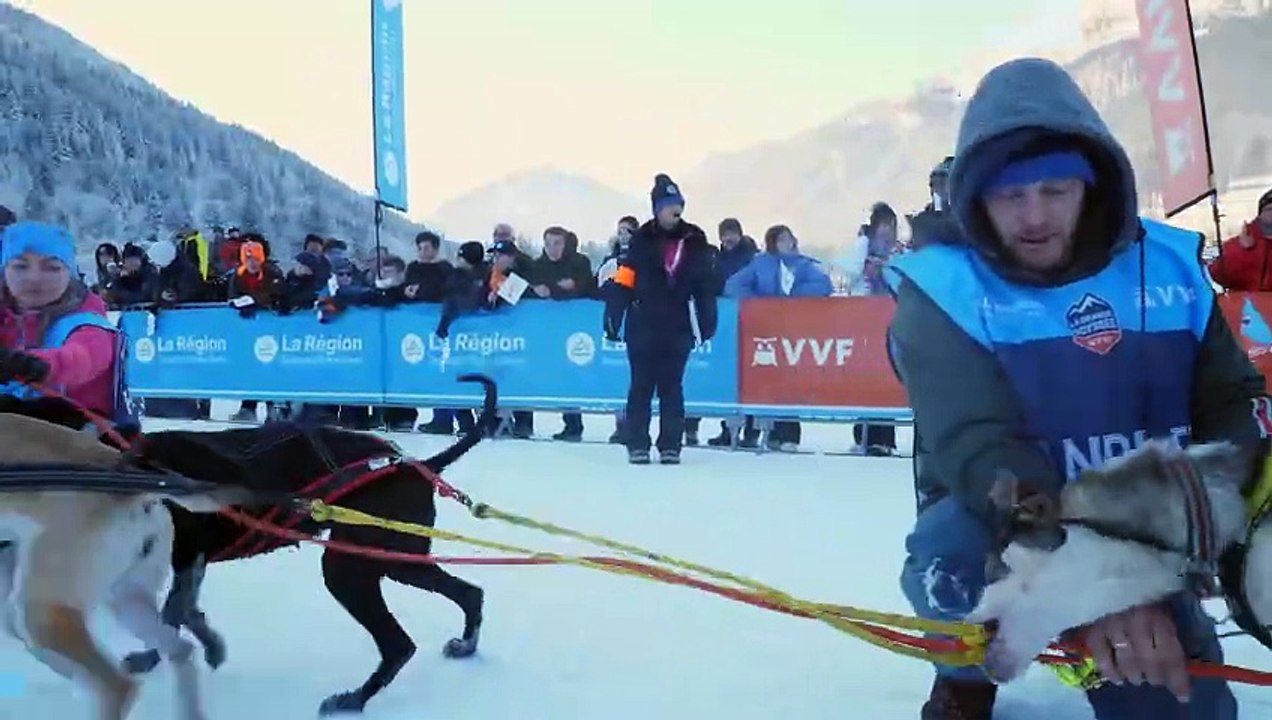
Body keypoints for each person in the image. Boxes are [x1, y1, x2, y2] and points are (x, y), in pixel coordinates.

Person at [885, 57, 1263, 720]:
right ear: (975, 198)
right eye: (1010, 195)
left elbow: (1233, 406)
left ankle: (1145, 642)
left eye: (1055, 189)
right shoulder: (942, 289)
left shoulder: (1171, 267)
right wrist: (1090, 589)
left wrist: (1224, 528)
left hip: (1142, 536)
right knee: (948, 563)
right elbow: (981, 446)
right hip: (1007, 533)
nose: (1033, 216)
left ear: (1092, 185)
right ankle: (967, 671)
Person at [604, 173, 717, 465]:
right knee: (640, 385)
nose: (674, 209)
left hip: (677, 323)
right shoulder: (642, 237)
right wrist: (614, 312)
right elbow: (625, 277)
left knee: (672, 387)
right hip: (643, 322)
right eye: (668, 204)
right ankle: (637, 443)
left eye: (678, 204)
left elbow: (704, 282)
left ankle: (670, 445)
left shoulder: (694, 237)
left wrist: (707, 318)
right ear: (657, 208)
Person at [0, 221, 131, 425]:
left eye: (51, 268)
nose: (34, 278)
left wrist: (34, 365)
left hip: (79, 441)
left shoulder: (88, 323)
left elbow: (82, 359)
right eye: (20, 266)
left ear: (69, 274)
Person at [1206, 188, 1272, 291]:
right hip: (1247, 305)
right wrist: (1243, 250)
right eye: (1270, 209)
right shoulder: (1238, 244)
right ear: (1260, 214)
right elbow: (1218, 276)